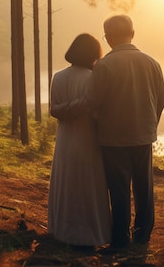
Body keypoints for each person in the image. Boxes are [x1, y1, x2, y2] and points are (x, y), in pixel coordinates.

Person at [87, 14, 164, 250]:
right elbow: (161, 99)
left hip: (113, 137)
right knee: (144, 186)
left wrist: (99, 123)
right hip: (143, 134)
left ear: (108, 38)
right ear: (132, 34)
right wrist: (150, 125)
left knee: (119, 188)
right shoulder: (152, 62)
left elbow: (94, 102)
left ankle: (120, 239)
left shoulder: (103, 65)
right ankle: (143, 235)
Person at [47, 33, 111, 250]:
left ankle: (62, 231)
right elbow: (97, 113)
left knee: (66, 183)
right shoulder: (93, 78)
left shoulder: (58, 76)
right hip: (88, 138)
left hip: (65, 138)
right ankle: (88, 235)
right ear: (94, 54)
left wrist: (69, 110)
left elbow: (55, 109)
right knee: (88, 185)